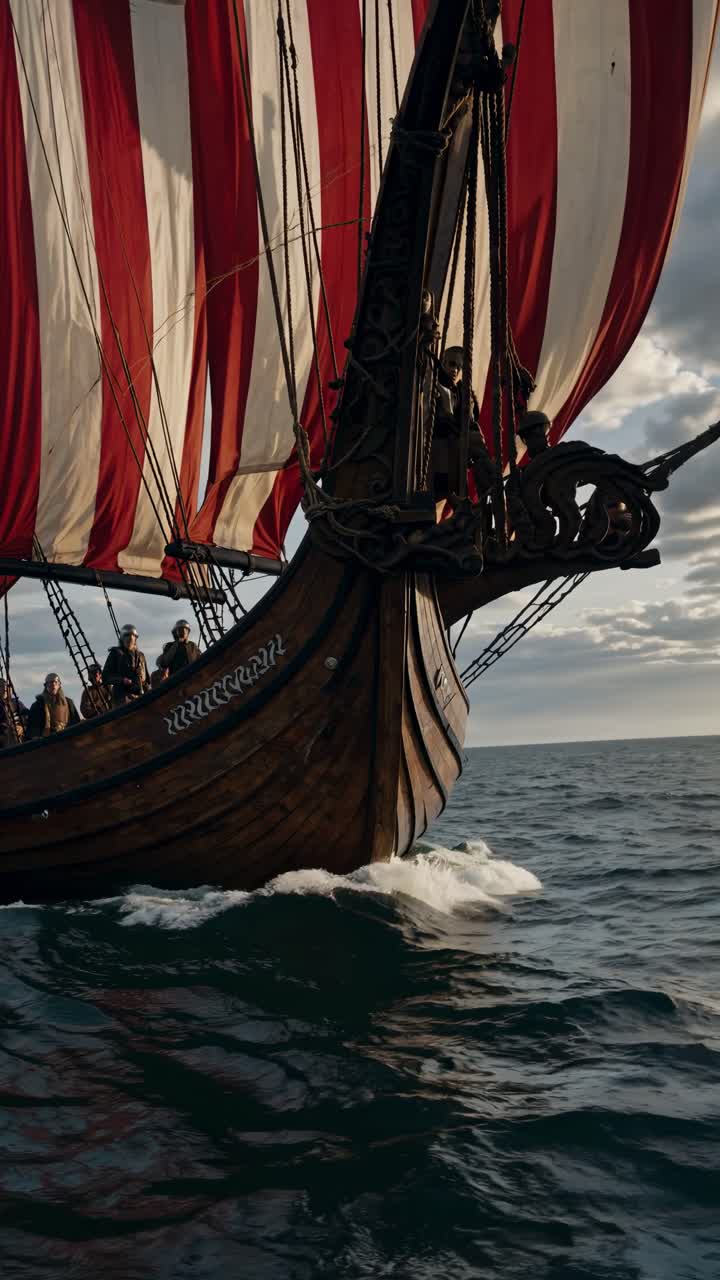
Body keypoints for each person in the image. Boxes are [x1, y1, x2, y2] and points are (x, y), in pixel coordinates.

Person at [433, 344, 494, 504]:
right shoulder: (431, 385)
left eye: (459, 367)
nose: (455, 370)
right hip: (435, 452)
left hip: (455, 454)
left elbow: (470, 425)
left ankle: (486, 474)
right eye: (452, 364)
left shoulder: (465, 395)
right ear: (443, 362)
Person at [102, 625, 150, 708]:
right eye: (127, 636)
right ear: (122, 639)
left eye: (133, 636)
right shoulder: (116, 654)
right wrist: (122, 680)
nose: (130, 639)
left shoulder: (141, 656)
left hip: (140, 697)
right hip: (122, 698)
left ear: (135, 638)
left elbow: (147, 681)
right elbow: (106, 676)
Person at [26, 673, 80, 740]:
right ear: (46, 685)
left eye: (56, 682)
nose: (53, 684)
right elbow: (32, 728)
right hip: (47, 741)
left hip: (67, 738)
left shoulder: (69, 703)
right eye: (51, 682)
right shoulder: (38, 705)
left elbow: (76, 723)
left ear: (59, 684)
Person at [0, 678, 28, 749]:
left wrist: (22, 728)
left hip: (21, 741)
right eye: (1, 686)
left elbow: (29, 719)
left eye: (6, 686)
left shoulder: (18, 704)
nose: (4, 689)